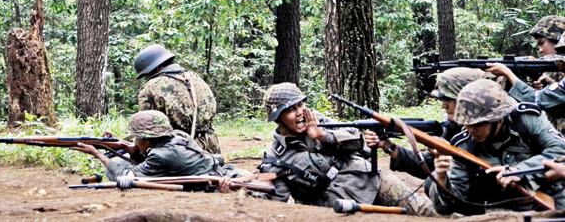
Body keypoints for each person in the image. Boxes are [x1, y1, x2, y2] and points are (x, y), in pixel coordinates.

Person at [256, 83, 436, 216]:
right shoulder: (275, 159)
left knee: (424, 212)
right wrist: (235, 188)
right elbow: (274, 201)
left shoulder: (317, 120)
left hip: (368, 179)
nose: (300, 112)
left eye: (301, 105)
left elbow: (357, 140)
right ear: (278, 118)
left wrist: (323, 136)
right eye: (291, 109)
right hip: (339, 208)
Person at [428, 79, 565, 215]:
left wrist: (520, 171)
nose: (471, 130)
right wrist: (441, 180)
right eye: (466, 124)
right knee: (432, 181)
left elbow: (559, 148)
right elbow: (450, 205)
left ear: (499, 119)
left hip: (548, 200)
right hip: (498, 210)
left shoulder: (525, 120)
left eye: (477, 125)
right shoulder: (463, 146)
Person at [364, 67, 486, 179]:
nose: (444, 105)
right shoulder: (454, 128)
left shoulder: (493, 128)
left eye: (449, 99)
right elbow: (427, 165)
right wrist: (388, 146)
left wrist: (453, 156)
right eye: (442, 99)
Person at [73, 110, 236, 186]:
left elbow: (126, 177)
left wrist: (97, 153)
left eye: (137, 138)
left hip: (218, 181)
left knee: (115, 168)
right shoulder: (179, 135)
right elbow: (147, 153)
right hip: (220, 170)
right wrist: (121, 144)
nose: (135, 142)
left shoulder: (160, 156)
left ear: (147, 139)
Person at [134, 44, 220, 154]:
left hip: (178, 152)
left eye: (146, 75)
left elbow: (145, 130)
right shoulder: (194, 78)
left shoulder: (151, 87)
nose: (146, 78)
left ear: (157, 68)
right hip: (210, 147)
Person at [486, 16, 565, 131]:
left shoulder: (553, 62)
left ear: (558, 40)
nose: (540, 50)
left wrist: (507, 73)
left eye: (542, 43)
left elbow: (537, 99)